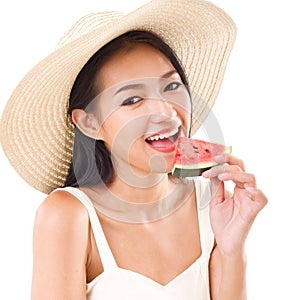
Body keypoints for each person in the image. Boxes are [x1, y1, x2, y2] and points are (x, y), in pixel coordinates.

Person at [0, 0, 267, 299]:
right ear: (90, 123)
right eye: (131, 100)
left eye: (171, 87)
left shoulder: (212, 203)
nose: (165, 111)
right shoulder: (68, 215)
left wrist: (231, 249)